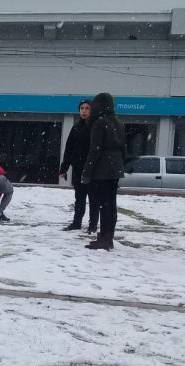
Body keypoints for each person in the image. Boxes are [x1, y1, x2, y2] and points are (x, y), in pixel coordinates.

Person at [81, 92, 126, 250]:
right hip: (115, 169)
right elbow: (123, 148)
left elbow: (95, 150)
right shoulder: (119, 123)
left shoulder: (99, 123)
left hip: (102, 170)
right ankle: (108, 236)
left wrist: (87, 171)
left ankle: (104, 238)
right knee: (111, 204)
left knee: (103, 204)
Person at [59, 99, 99, 233]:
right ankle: (76, 223)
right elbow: (69, 148)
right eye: (82, 108)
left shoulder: (96, 126)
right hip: (78, 168)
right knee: (79, 198)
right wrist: (64, 168)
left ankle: (92, 226)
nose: (84, 111)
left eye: (87, 108)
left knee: (93, 199)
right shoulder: (76, 127)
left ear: (91, 110)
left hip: (93, 169)